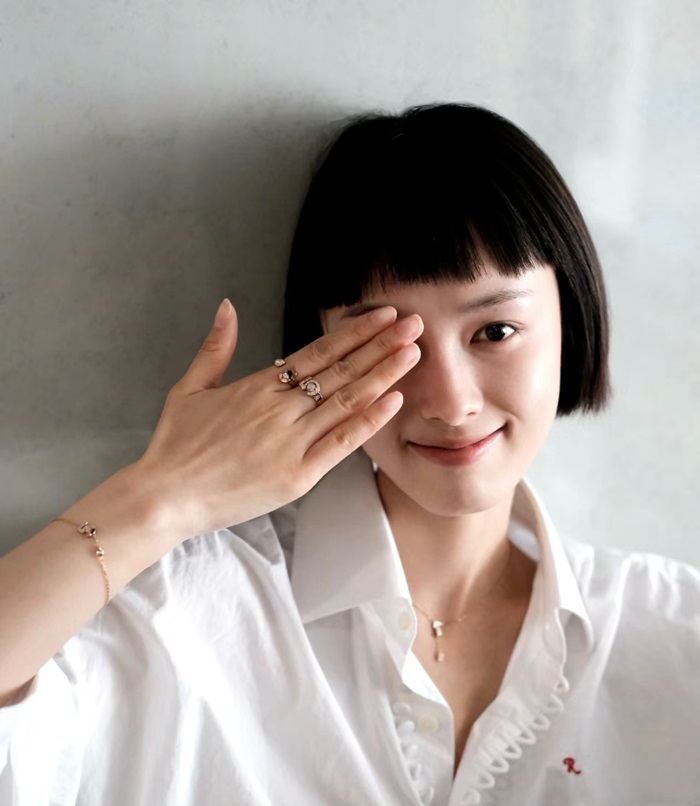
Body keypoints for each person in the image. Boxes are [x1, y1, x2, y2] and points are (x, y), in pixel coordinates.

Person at [1, 104, 699, 806]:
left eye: (495, 331)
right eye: (387, 345)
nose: (450, 402)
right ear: (318, 350)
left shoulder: (673, 632)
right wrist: (162, 495)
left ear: (571, 319)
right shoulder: (183, 613)